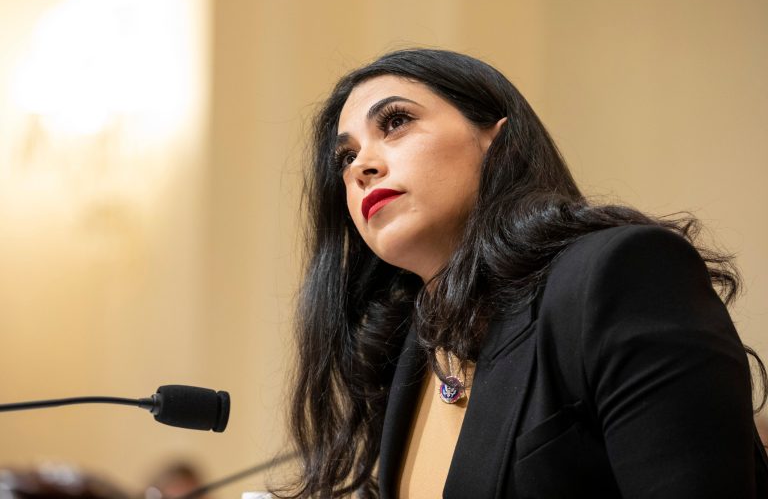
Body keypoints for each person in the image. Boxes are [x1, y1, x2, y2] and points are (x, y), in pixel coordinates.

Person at [279, 48, 768, 498]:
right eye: (345, 157)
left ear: (495, 137)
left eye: (396, 121)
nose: (361, 165)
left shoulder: (620, 274)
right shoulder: (403, 359)